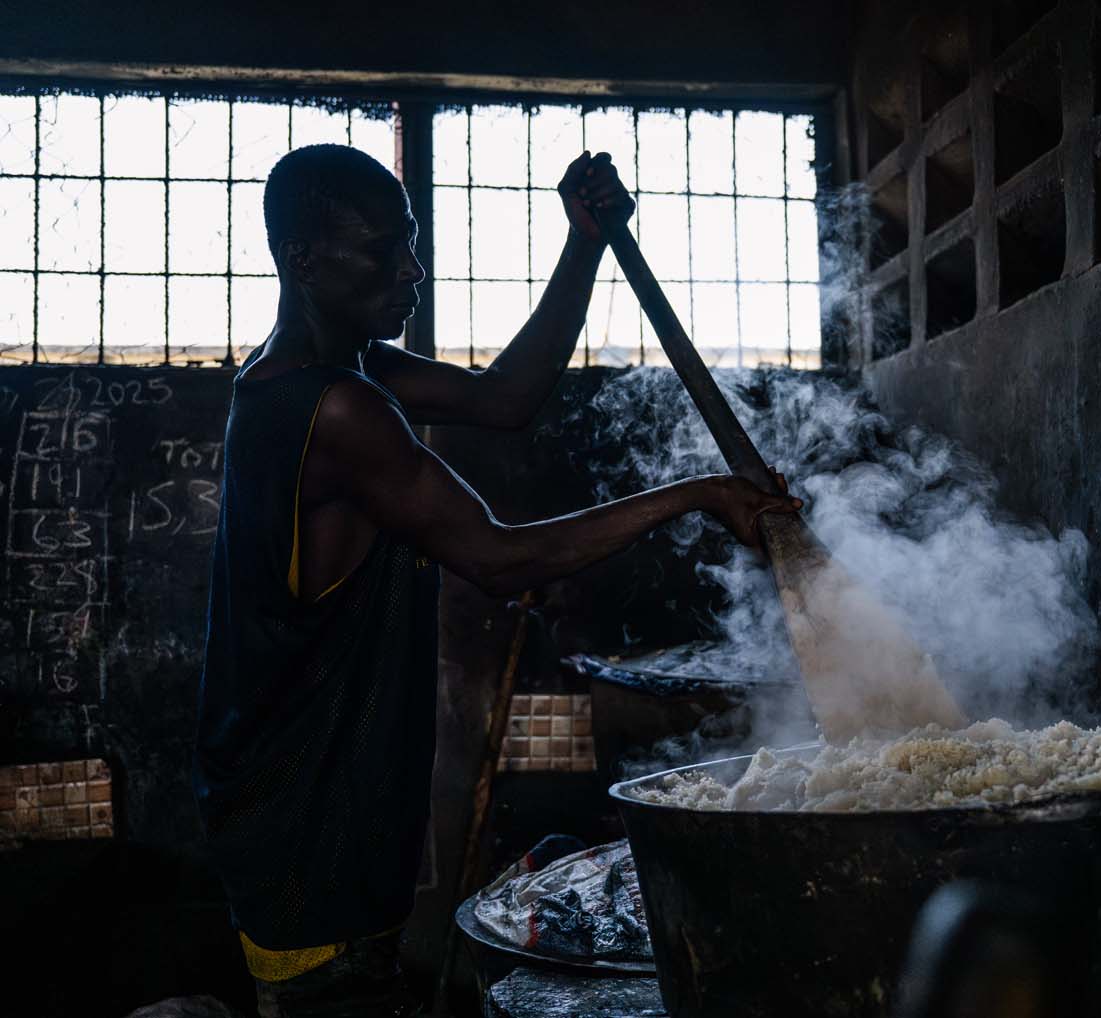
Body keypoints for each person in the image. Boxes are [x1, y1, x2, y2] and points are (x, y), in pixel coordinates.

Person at [193, 143, 798, 1017]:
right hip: (304, 816)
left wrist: (583, 242)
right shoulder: (334, 407)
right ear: (304, 261)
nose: (413, 269)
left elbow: (506, 397)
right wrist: (700, 494)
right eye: (383, 250)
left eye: (409, 243)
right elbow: (500, 557)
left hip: (293, 797)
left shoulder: (339, 368)